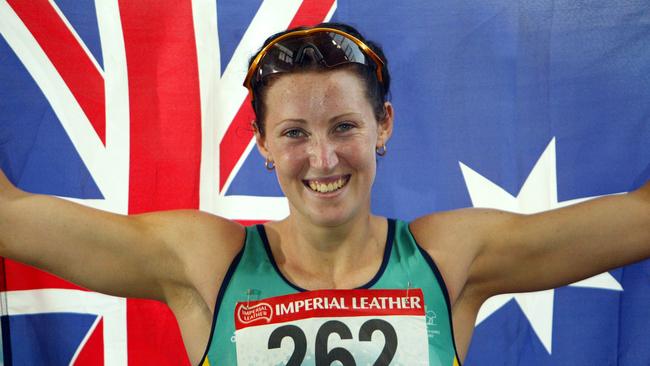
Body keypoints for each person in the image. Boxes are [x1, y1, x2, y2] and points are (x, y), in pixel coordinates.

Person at [0, 22, 648, 366]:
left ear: (383, 126)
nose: (322, 159)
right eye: (293, 133)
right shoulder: (206, 261)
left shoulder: (451, 257)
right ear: (259, 142)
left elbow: (640, 220)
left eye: (344, 128)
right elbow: (11, 219)